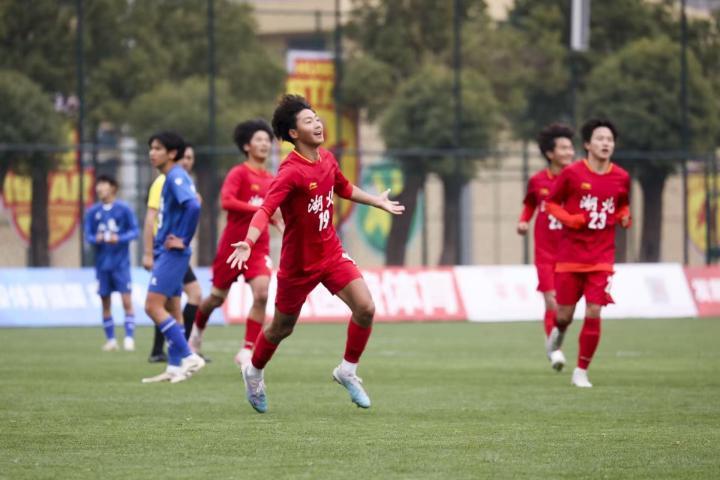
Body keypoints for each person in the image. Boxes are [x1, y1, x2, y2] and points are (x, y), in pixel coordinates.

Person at [226, 94, 404, 413]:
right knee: (282, 328)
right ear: (294, 133)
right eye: (308, 121)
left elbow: (343, 188)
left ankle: (347, 371)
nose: (318, 124)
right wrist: (249, 242)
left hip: (331, 253)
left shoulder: (327, 159)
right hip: (298, 265)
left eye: (317, 118)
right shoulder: (290, 172)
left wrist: (376, 201)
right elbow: (265, 209)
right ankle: (253, 372)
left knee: (365, 307)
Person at [544, 118, 632, 388]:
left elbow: (622, 205)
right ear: (587, 144)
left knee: (594, 310)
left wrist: (625, 215)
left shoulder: (622, 177)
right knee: (564, 315)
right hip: (570, 258)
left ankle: (581, 371)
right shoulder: (572, 174)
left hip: (602, 258)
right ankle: (558, 332)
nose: (606, 143)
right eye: (600, 139)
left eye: (610, 139)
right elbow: (550, 204)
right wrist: (570, 220)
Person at [189, 119, 282, 368]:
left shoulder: (272, 179)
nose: (264, 144)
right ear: (246, 145)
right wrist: (260, 209)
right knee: (216, 299)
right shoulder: (238, 173)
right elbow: (227, 202)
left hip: (258, 247)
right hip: (232, 247)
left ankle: (247, 350)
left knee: (262, 293)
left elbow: (274, 214)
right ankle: (195, 335)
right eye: (259, 139)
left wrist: (281, 225)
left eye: (267, 140)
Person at [141, 131, 205, 383]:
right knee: (172, 308)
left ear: (171, 153)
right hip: (167, 251)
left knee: (152, 306)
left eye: (158, 148)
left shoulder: (176, 176)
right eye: (151, 148)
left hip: (172, 252)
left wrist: (183, 239)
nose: (152, 153)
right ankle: (175, 367)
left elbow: (194, 205)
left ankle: (189, 356)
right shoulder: (170, 177)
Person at [516, 123, 574, 360]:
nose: (569, 152)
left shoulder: (579, 180)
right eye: (564, 148)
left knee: (565, 308)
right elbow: (530, 204)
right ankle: (555, 350)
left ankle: (554, 340)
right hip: (546, 253)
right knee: (551, 301)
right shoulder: (538, 181)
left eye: (571, 148)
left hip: (572, 252)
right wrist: (523, 221)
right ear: (550, 153)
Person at [83, 175, 139, 352]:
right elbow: (88, 235)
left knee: (126, 300)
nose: (99, 188)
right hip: (102, 265)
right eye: (98, 185)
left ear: (113, 188)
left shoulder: (124, 208)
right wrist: (97, 238)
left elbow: (135, 231)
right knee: (105, 302)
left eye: (103, 184)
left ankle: (129, 338)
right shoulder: (93, 211)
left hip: (121, 264)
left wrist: (119, 238)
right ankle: (111, 340)